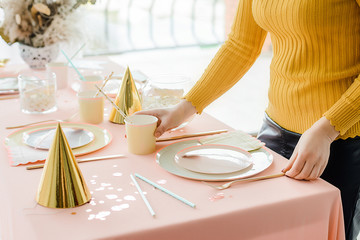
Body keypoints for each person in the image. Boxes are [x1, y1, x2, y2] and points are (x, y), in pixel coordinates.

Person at [137, 0, 360, 239]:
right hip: (274, 132)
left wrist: (327, 129)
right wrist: (182, 110)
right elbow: (240, 45)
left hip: (337, 143)